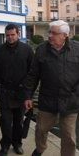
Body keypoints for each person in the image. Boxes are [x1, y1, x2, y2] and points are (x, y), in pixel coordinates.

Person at [23, 20, 79, 156]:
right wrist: (28, 96)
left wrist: (77, 94)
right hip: (48, 99)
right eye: (50, 32)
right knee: (41, 130)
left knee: (69, 136)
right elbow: (33, 75)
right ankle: (40, 149)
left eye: (54, 33)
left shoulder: (77, 49)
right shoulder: (42, 50)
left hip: (70, 101)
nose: (50, 36)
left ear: (64, 35)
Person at [0, 24, 34, 156]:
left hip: (21, 93)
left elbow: (32, 72)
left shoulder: (27, 50)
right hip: (4, 92)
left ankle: (17, 143)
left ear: (18, 34)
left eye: (12, 35)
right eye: (7, 35)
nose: (9, 37)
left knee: (18, 122)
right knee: (5, 121)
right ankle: (5, 145)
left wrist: (27, 91)